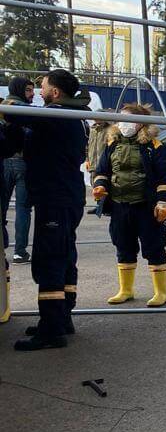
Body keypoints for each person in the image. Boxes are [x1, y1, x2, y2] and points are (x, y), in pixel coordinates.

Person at [7, 69, 89, 351]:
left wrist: (11, 101)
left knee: (50, 260)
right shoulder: (71, 116)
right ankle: (61, 319)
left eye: (42, 87)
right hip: (65, 195)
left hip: (55, 198)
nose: (39, 93)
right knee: (64, 256)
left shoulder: (57, 115)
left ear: (55, 92)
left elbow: (16, 114)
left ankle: (51, 330)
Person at [92, 104, 166, 308]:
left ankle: (161, 292)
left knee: (154, 247)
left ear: (140, 123)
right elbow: (102, 170)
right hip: (120, 205)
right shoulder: (112, 144)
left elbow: (164, 178)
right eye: (121, 119)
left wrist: (163, 202)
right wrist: (100, 186)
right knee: (123, 246)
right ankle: (126, 290)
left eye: (128, 120)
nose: (123, 124)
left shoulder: (155, 147)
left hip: (146, 206)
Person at [1, 77, 33, 264]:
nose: (31, 94)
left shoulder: (3, 107)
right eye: (28, 90)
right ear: (19, 89)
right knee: (23, 208)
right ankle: (20, 252)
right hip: (23, 162)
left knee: (2, 206)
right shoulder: (26, 111)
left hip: (5, 162)